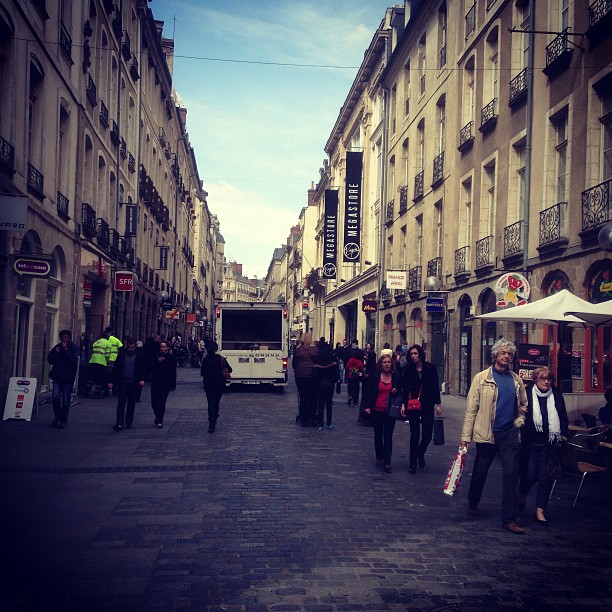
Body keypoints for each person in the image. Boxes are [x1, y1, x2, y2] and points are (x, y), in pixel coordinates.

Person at [460, 338, 528, 535]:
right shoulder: (481, 378)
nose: (506, 356)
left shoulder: (516, 380)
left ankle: (510, 519)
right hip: (486, 432)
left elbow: (524, 404)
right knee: (481, 471)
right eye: (503, 353)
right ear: (495, 355)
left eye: (509, 354)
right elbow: (471, 410)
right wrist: (466, 436)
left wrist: (520, 419)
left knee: (511, 473)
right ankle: (473, 500)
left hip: (509, 433)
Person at [518, 367, 568, 524]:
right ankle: (522, 493)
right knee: (531, 474)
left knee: (545, 477)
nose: (546, 382)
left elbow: (562, 414)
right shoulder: (527, 393)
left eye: (549, 379)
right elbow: (519, 412)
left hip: (550, 443)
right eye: (542, 379)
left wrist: (563, 433)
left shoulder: (557, 394)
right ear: (535, 380)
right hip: (531, 443)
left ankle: (540, 510)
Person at [400, 344, 442, 474]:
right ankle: (413, 463)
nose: (413, 356)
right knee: (414, 435)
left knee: (427, 434)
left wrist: (438, 404)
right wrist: (403, 404)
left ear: (420, 354)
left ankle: (420, 453)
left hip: (428, 405)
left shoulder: (430, 368)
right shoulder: (408, 369)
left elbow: (435, 386)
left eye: (415, 353)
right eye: (411, 354)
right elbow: (405, 388)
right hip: (413, 405)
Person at [362, 354, 403, 473]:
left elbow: (401, 391)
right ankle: (379, 455)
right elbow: (368, 391)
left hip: (390, 411)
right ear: (381, 364)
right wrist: (367, 406)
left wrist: (396, 390)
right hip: (377, 409)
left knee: (388, 435)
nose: (386, 364)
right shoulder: (375, 376)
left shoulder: (395, 377)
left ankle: (387, 461)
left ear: (392, 364)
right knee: (378, 434)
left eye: (389, 362)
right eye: (384, 362)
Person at [110, 338, 146, 431]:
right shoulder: (122, 355)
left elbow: (142, 369)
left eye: (133, 347)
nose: (131, 349)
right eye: (129, 347)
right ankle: (119, 423)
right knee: (121, 403)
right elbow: (116, 368)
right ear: (127, 347)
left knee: (131, 403)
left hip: (134, 383)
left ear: (135, 347)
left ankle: (129, 421)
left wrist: (142, 379)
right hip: (123, 383)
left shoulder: (139, 356)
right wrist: (111, 381)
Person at [47, 330, 79, 429]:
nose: (63, 340)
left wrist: (65, 351)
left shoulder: (73, 348)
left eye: (65, 337)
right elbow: (50, 360)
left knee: (65, 399)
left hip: (68, 378)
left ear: (69, 338)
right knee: (55, 397)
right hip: (58, 376)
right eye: (62, 338)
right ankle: (58, 416)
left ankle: (63, 420)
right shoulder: (57, 347)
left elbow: (73, 362)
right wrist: (56, 353)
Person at [200, 341, 232, 433]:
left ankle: (211, 423)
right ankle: (214, 418)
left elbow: (202, 373)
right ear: (216, 349)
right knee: (216, 402)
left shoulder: (206, 359)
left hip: (209, 384)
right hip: (219, 384)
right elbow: (230, 369)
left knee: (210, 403)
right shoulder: (221, 359)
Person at [292, 333, 318, 426]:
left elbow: (294, 363)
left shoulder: (298, 349)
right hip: (311, 375)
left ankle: (304, 419)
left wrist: (297, 371)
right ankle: (312, 417)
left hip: (300, 375)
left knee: (303, 397)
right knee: (312, 397)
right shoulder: (315, 349)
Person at [150, 339, 176, 428]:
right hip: (155, 382)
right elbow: (151, 367)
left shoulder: (171, 358)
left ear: (167, 348)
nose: (162, 348)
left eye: (164, 347)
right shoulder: (156, 356)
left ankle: (160, 420)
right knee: (154, 402)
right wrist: (157, 362)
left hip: (166, 383)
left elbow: (173, 372)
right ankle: (158, 415)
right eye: (161, 346)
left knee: (162, 401)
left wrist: (173, 385)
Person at [314, 340, 338, 431]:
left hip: (320, 381)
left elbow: (316, 371)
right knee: (329, 403)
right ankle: (329, 422)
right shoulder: (332, 357)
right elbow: (335, 370)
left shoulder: (318, 357)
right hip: (330, 382)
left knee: (320, 403)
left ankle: (320, 424)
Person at [87, 329, 111, 398]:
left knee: (92, 377)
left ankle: (86, 390)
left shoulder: (97, 342)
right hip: (101, 362)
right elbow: (107, 355)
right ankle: (97, 392)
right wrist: (107, 362)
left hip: (93, 361)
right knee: (100, 378)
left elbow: (92, 351)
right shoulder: (107, 343)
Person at [105, 326, 123, 396]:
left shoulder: (104, 339)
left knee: (106, 376)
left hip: (106, 360)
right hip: (114, 360)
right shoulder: (116, 340)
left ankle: (105, 391)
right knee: (115, 376)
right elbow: (121, 349)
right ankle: (115, 391)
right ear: (112, 332)